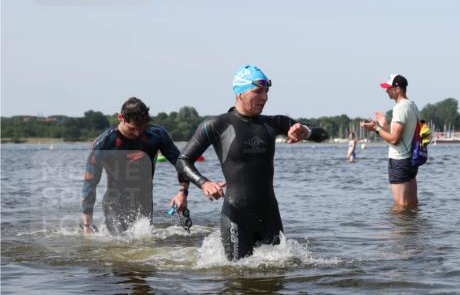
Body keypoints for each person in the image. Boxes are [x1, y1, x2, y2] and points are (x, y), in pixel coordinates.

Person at [176, 65, 328, 261]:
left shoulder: (274, 123)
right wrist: (204, 183)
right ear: (239, 93)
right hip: (236, 217)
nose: (264, 97)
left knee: (278, 274)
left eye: (267, 91)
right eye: (258, 91)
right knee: (237, 276)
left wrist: (305, 132)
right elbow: (183, 161)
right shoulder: (216, 125)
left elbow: (323, 134)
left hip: (270, 216)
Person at [81, 97, 189, 234]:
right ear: (121, 118)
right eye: (132, 128)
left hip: (144, 201)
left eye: (142, 128)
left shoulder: (157, 135)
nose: (137, 133)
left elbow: (181, 164)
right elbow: (89, 185)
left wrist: (182, 193)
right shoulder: (104, 143)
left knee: (144, 241)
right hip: (114, 202)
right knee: (118, 242)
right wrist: (87, 225)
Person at [361, 74, 420, 211]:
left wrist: (376, 128)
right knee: (412, 204)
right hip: (411, 160)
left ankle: (399, 226)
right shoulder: (412, 105)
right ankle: (413, 225)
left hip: (400, 161)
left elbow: (394, 140)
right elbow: (400, 135)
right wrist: (383, 125)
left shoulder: (400, 108)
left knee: (400, 207)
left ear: (397, 89)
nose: (386, 91)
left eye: (389, 88)